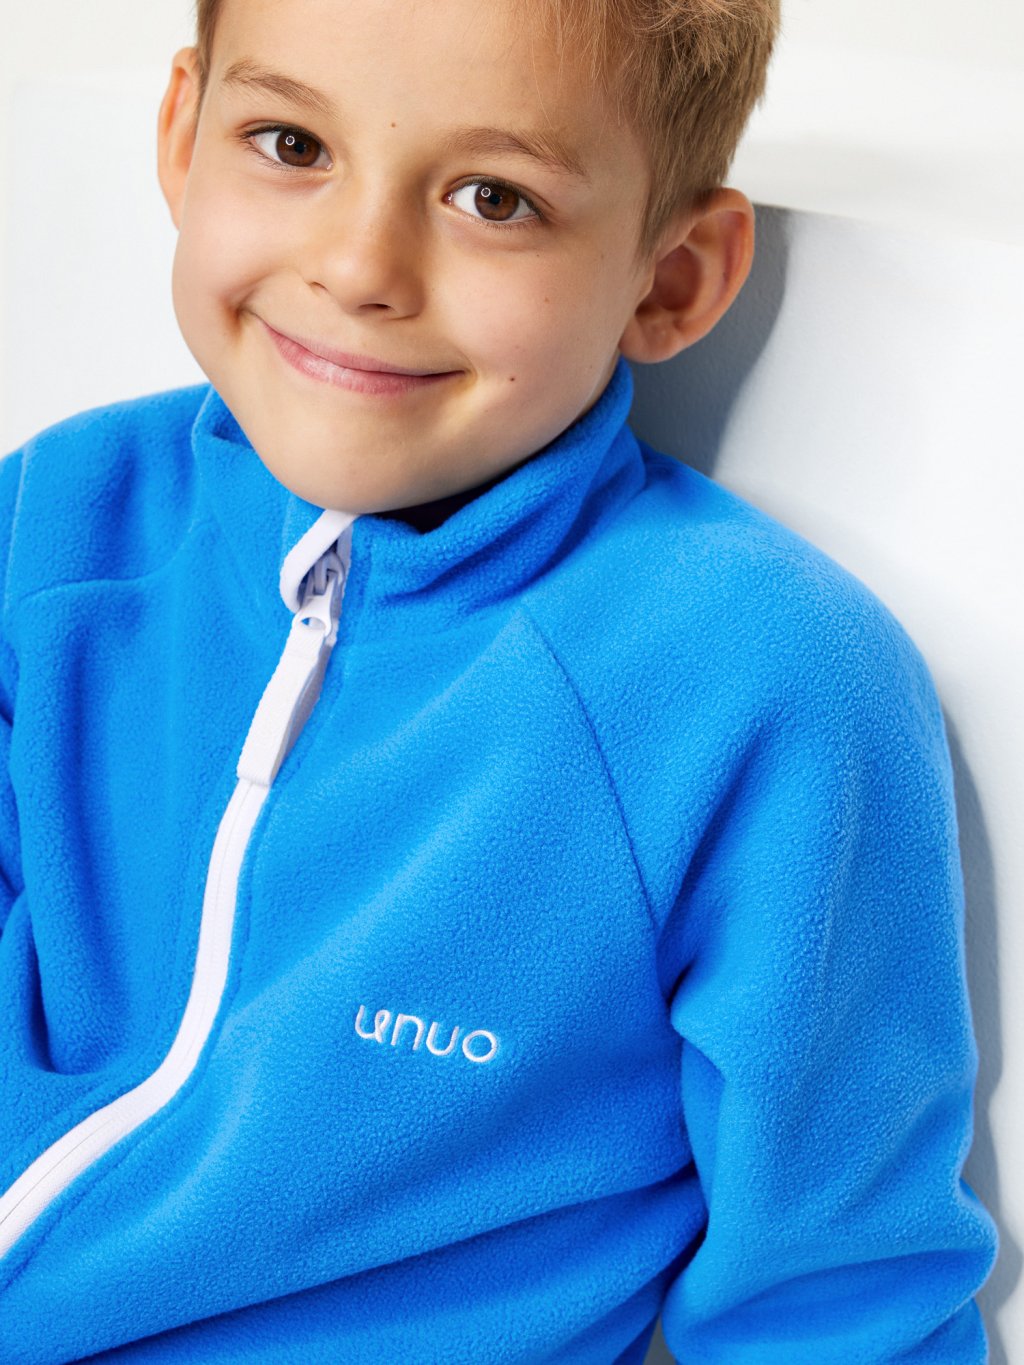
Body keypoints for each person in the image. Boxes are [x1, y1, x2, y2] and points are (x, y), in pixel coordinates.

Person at [0, 0, 999, 1359]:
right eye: (290, 143)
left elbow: (835, 1292)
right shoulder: (61, 517)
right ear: (183, 135)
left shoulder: (762, 683)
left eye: (494, 199)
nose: (359, 266)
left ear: (672, 280)